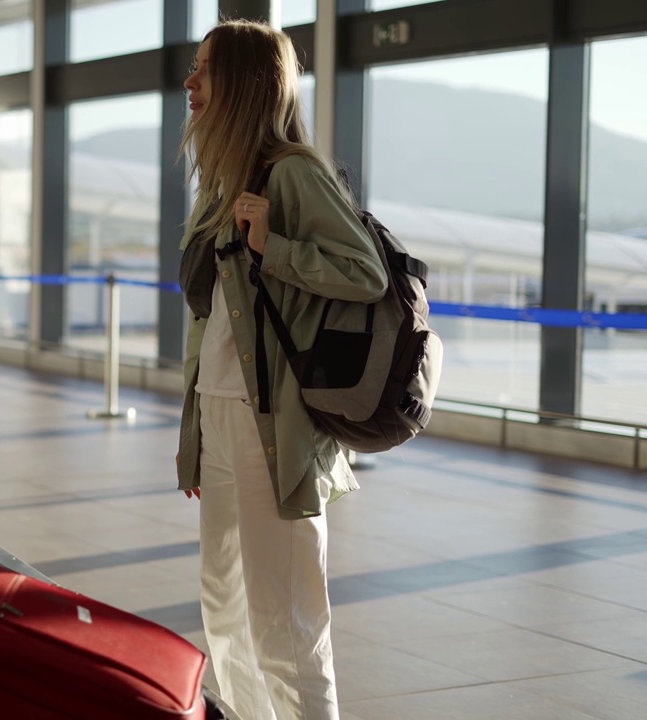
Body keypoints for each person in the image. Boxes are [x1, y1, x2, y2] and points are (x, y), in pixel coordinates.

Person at [175, 19, 388, 720]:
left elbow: (365, 274)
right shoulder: (221, 180)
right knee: (226, 616)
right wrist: (195, 441)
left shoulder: (292, 171)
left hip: (275, 429)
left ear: (241, 82)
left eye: (204, 71)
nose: (191, 82)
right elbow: (211, 326)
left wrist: (275, 246)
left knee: (287, 626)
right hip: (221, 414)